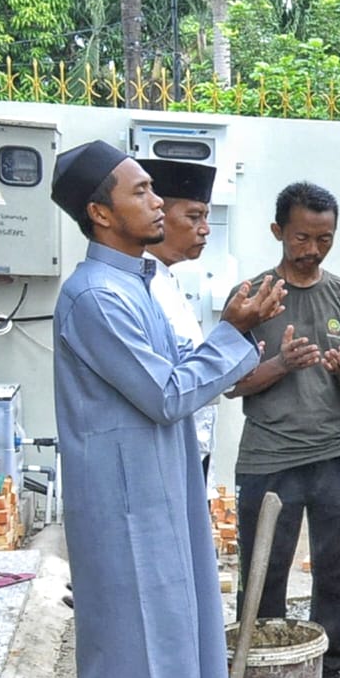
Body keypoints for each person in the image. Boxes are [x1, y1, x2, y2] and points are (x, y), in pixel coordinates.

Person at [49, 140, 285, 678]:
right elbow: (166, 392)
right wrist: (237, 332)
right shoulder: (93, 296)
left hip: (161, 494)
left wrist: (227, 334)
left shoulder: (139, 285)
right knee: (136, 657)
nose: (158, 203)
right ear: (99, 213)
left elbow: (178, 373)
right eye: (141, 192)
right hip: (121, 509)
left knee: (180, 643)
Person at [227, 182, 340, 678]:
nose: (312, 249)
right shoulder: (250, 298)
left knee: (339, 573)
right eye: (300, 237)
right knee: (263, 575)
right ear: (278, 232)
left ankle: (330, 673)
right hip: (270, 457)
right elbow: (228, 382)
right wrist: (279, 364)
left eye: (324, 238)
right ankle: (261, 672)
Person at [143, 159, 219, 479]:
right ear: (160, 214)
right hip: (165, 458)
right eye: (193, 216)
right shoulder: (142, 285)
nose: (205, 229)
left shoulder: (168, 278)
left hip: (192, 449)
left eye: (206, 217)